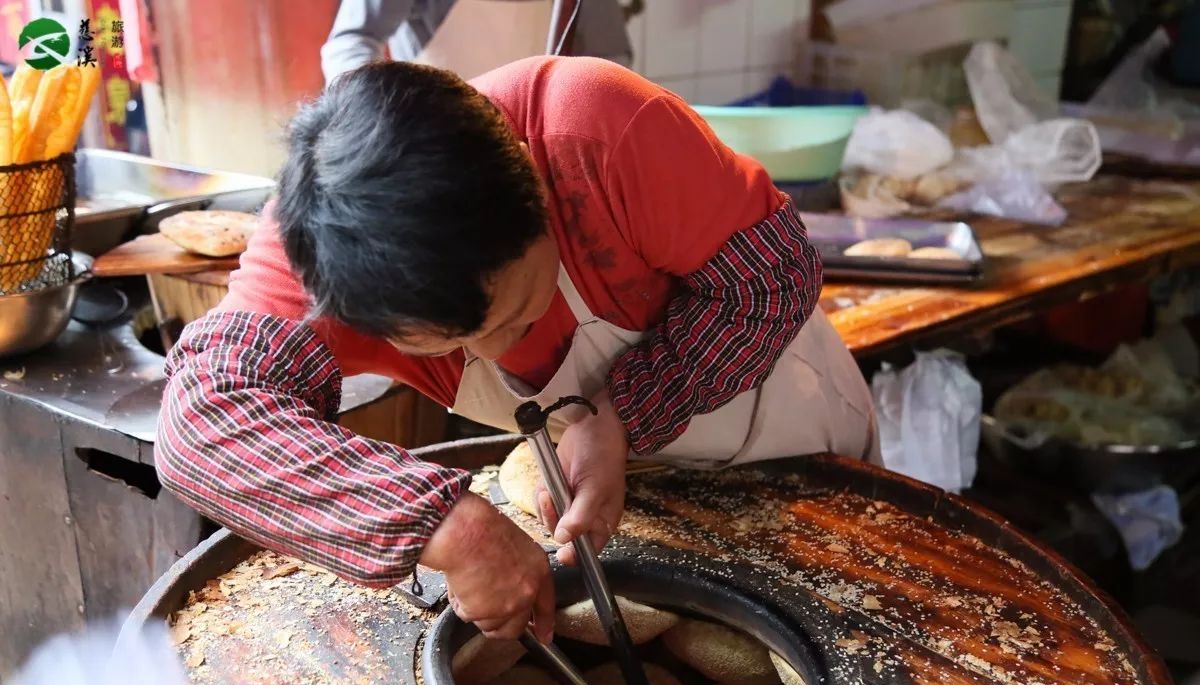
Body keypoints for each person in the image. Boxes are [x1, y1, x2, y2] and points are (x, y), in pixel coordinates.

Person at [156, 56, 879, 646]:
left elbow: (769, 278)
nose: (498, 350)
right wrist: (447, 527)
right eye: (451, 343)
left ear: (537, 185)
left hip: (786, 431)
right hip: (642, 507)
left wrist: (624, 409)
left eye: (513, 312)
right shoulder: (325, 248)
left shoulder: (597, 129)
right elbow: (199, 428)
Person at [320, 0, 632, 84]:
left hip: (538, 145)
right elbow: (351, 41)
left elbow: (608, 56)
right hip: (433, 144)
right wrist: (375, 114)